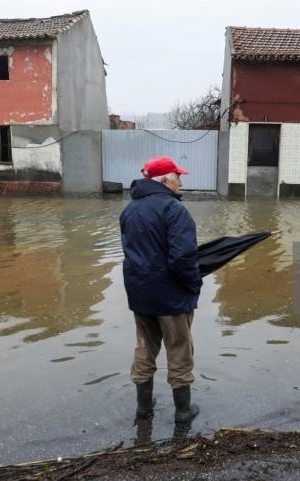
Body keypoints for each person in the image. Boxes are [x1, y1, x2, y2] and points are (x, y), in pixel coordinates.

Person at [119, 156, 202, 428]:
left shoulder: (129, 211)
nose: (182, 182)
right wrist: (194, 284)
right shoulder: (174, 211)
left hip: (140, 295)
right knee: (179, 350)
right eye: (178, 177)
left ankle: (144, 410)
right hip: (171, 298)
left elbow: (132, 253)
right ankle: (182, 413)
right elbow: (182, 259)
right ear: (165, 180)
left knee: (145, 348)